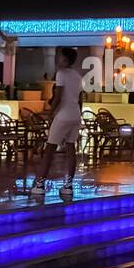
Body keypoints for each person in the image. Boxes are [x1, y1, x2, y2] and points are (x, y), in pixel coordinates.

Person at [30, 47, 83, 200]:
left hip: (63, 115)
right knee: (70, 147)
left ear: (65, 59)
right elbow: (80, 99)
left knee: (50, 148)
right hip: (75, 114)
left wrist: (51, 113)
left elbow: (58, 96)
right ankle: (68, 185)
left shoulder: (61, 74)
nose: (57, 60)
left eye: (60, 57)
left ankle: (39, 184)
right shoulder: (78, 76)